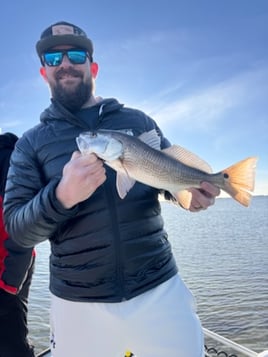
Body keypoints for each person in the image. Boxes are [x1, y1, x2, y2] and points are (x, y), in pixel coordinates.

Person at [4, 21, 220, 357]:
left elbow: (167, 181)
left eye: (75, 54)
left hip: (159, 287)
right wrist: (60, 196)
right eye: (53, 58)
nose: (64, 64)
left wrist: (189, 198)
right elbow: (17, 229)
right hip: (77, 302)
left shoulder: (139, 122)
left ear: (93, 67)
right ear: (43, 73)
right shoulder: (30, 144)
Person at [0, 132, 36, 357]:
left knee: (11, 339)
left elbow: (21, 220)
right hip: (12, 263)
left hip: (9, 264)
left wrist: (9, 281)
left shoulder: (9, 159)